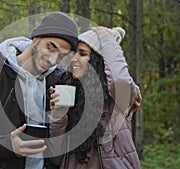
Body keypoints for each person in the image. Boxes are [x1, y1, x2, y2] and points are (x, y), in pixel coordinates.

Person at [0, 12, 78, 169]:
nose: (52, 60)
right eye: (50, 48)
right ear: (36, 39)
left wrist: (59, 117)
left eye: (61, 56)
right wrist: (6, 145)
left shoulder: (60, 81)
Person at [49, 26, 142, 169]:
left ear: (98, 61)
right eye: (75, 53)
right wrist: (58, 117)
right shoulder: (74, 95)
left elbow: (118, 79)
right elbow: (56, 157)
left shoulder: (118, 101)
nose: (73, 59)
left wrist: (107, 40)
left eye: (82, 54)